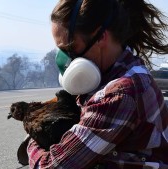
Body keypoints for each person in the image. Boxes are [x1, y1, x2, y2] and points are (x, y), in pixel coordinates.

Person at [26, 0, 168, 168]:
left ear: (101, 36)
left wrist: (33, 139)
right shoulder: (126, 69)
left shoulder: (119, 93)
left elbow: (51, 166)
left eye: (70, 49)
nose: (66, 60)